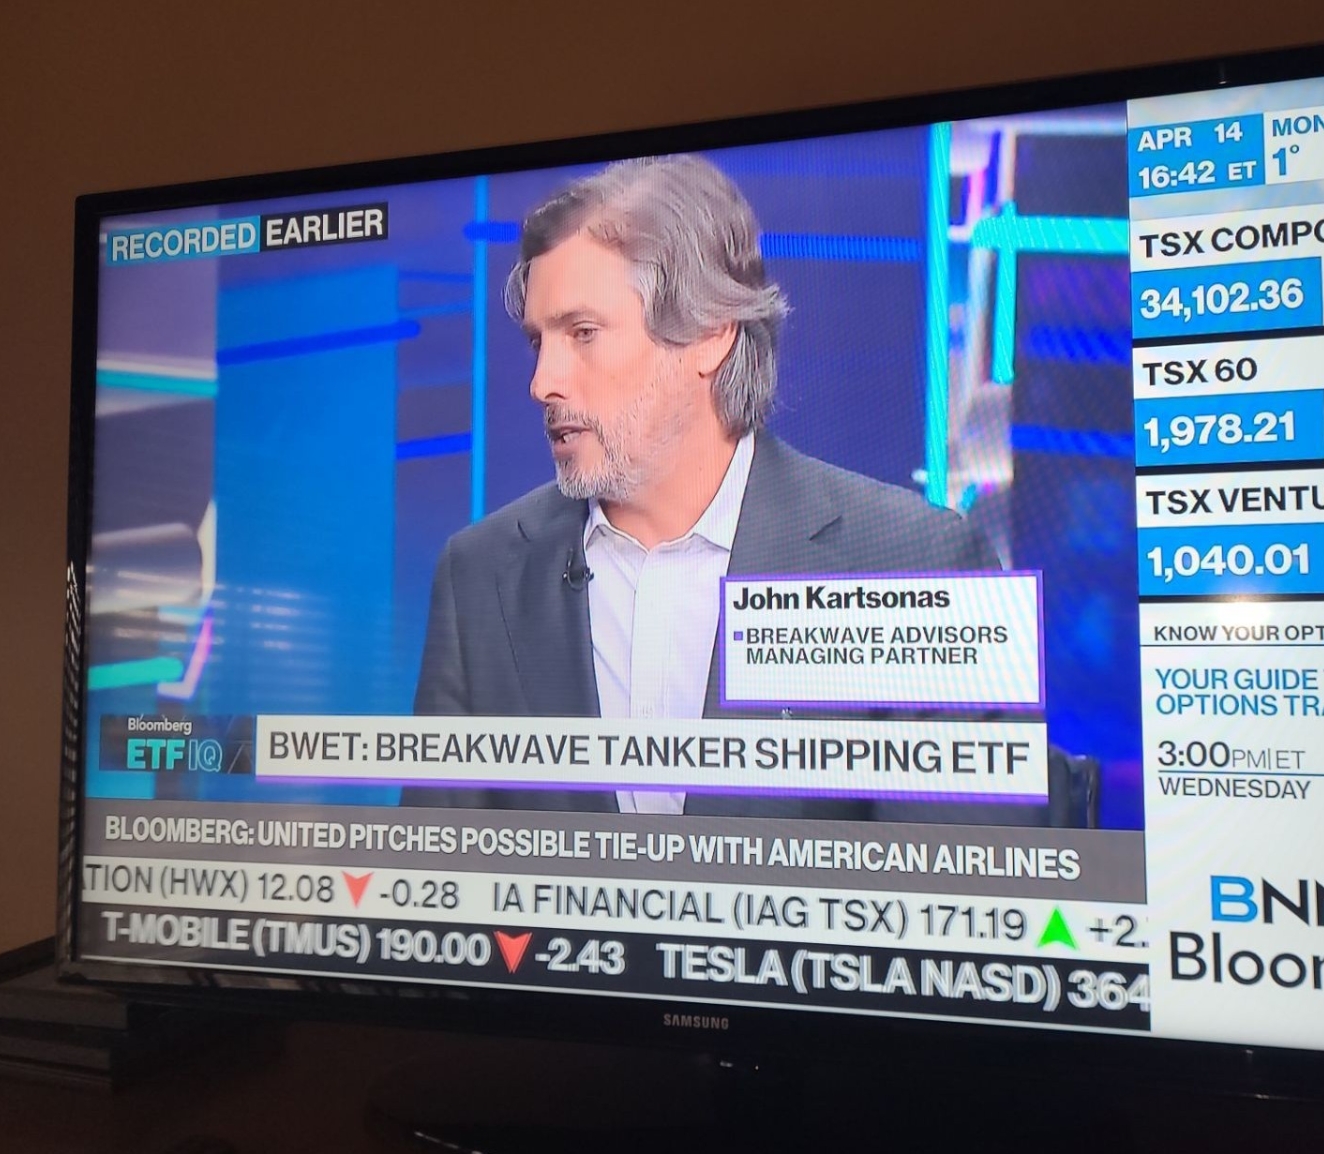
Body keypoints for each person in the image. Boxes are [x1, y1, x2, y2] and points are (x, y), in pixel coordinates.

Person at [411, 154, 1019, 820]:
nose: (542, 383)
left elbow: (969, 870)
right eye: (538, 342)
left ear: (708, 336)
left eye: (583, 333)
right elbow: (438, 867)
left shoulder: (919, 565)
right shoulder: (480, 573)